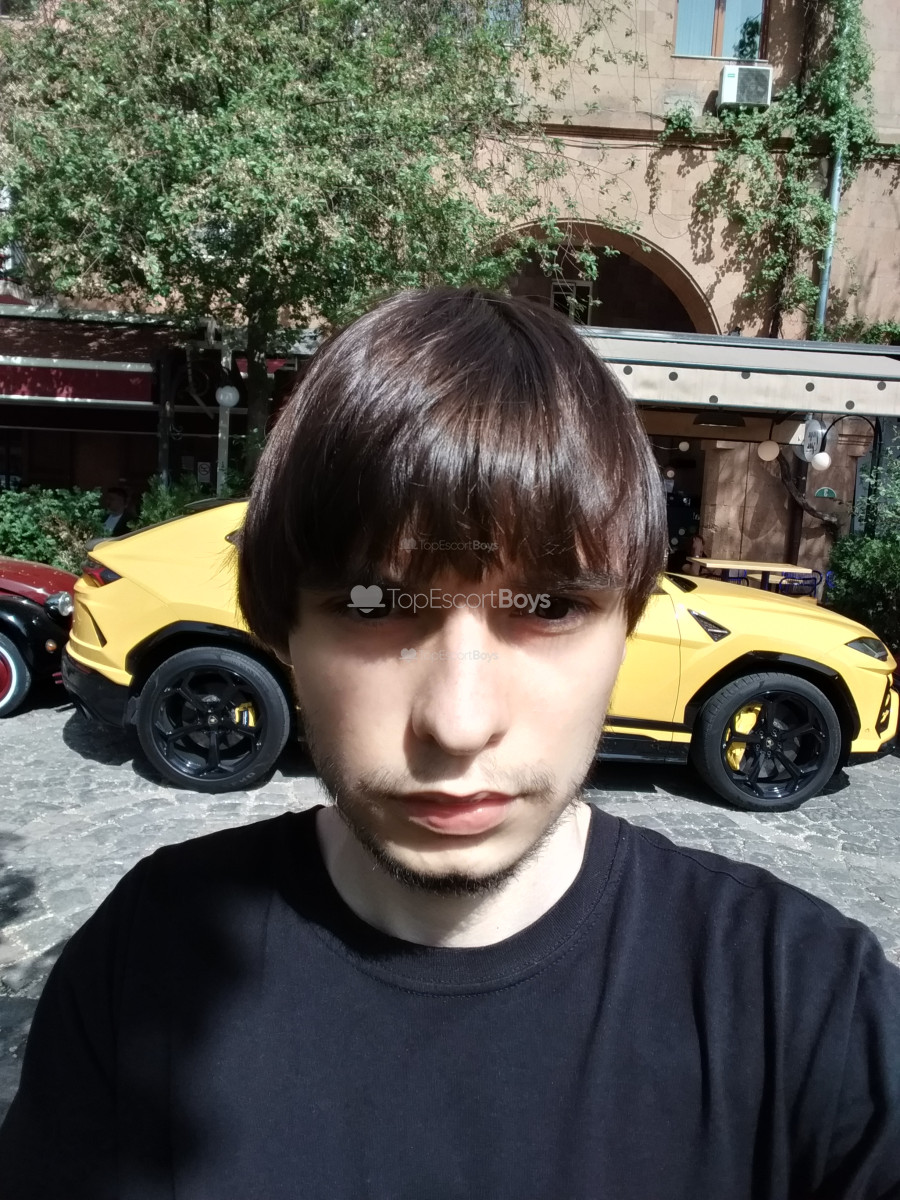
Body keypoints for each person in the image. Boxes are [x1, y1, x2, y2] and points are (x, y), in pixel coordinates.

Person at [1, 286, 898, 1198]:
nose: (460, 724)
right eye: (373, 606)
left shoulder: (809, 1006)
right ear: (282, 634)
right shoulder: (149, 961)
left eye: (551, 607)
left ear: (627, 625)